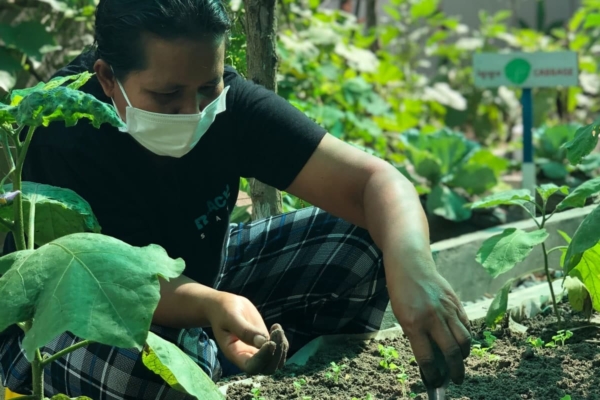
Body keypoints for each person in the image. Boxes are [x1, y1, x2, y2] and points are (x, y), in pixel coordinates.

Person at [0, 0, 471, 398]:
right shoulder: (58, 128)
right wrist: (209, 306)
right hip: (63, 319)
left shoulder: (230, 106)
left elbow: (375, 183)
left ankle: (273, 374)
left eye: (208, 87)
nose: (194, 110)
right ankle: (208, 358)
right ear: (106, 78)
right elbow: (93, 282)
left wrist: (414, 267)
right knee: (151, 375)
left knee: (364, 242)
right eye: (167, 95)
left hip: (207, 286)